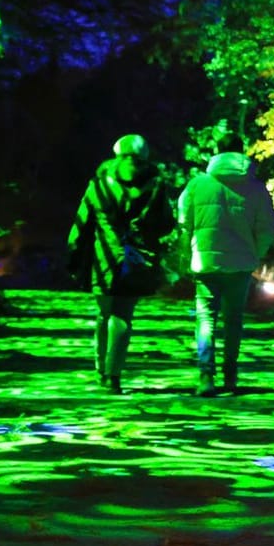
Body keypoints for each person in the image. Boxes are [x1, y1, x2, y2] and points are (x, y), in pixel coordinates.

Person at [66, 134, 174, 395]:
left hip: (103, 258)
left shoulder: (100, 183)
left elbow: (82, 223)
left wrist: (73, 256)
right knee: (123, 316)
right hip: (135, 259)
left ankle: (100, 368)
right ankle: (114, 375)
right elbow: (166, 223)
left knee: (103, 314)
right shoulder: (155, 185)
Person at [176, 135, 274, 397]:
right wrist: (257, 253)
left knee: (206, 318)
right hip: (241, 264)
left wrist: (187, 255)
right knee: (234, 320)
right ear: (241, 153)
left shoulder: (197, 185)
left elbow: (184, 223)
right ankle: (230, 376)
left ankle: (206, 376)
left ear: (216, 152)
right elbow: (267, 228)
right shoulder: (256, 188)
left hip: (206, 263)